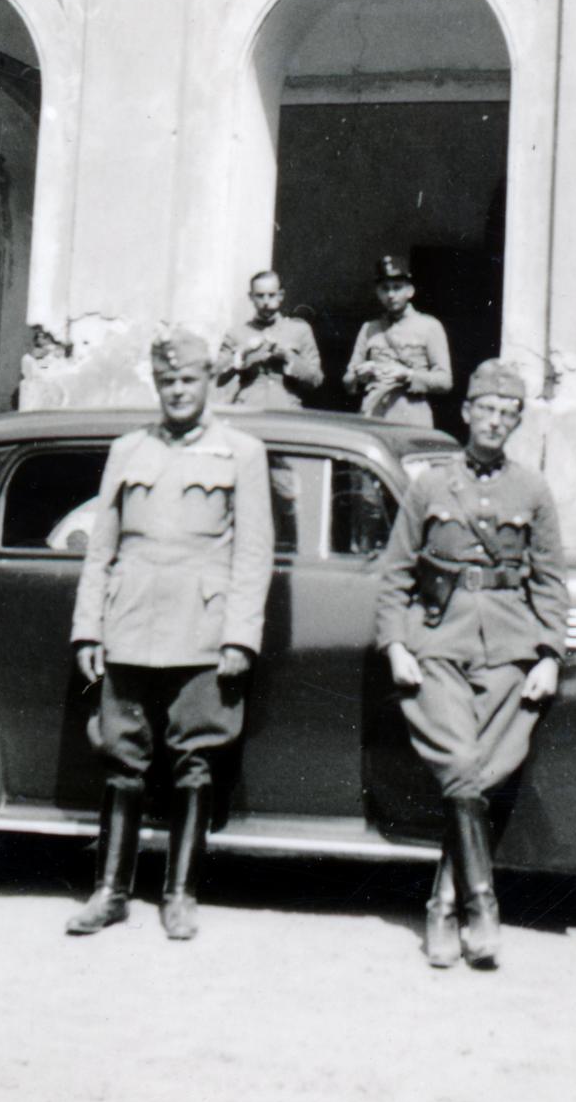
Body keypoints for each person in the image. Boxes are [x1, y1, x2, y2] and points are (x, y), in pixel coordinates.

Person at [66, 329, 273, 941]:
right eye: (167, 382)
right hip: (129, 624)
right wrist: (87, 629)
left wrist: (240, 636)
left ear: (208, 379)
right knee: (121, 760)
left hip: (202, 630)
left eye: (187, 380)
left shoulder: (242, 452)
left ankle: (180, 895)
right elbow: (100, 547)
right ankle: (109, 892)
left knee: (195, 762)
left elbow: (254, 553)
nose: (177, 391)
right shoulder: (128, 449)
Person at [376, 360, 568, 970]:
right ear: (466, 413)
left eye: (507, 413)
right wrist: (397, 646)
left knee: (484, 775)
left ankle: (442, 904)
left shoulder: (533, 490)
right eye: (486, 409)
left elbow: (552, 582)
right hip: (437, 643)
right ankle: (481, 903)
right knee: (461, 764)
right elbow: (396, 574)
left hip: (510, 652)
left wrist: (549, 656)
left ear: (515, 423)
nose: (495, 421)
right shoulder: (430, 485)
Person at [343, 255, 452, 426]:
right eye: (385, 289)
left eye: (397, 287)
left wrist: (408, 375)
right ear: (378, 292)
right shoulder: (369, 328)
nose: (391, 294)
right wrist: (359, 374)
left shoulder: (429, 326)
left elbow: (445, 381)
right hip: (373, 413)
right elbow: (348, 381)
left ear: (410, 291)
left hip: (412, 415)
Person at [215, 270, 323, 409]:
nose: (266, 302)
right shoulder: (236, 333)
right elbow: (217, 378)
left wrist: (288, 357)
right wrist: (241, 354)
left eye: (271, 295)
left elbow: (316, 379)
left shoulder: (300, 330)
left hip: (287, 410)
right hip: (248, 409)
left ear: (281, 295)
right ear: (251, 297)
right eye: (260, 296)